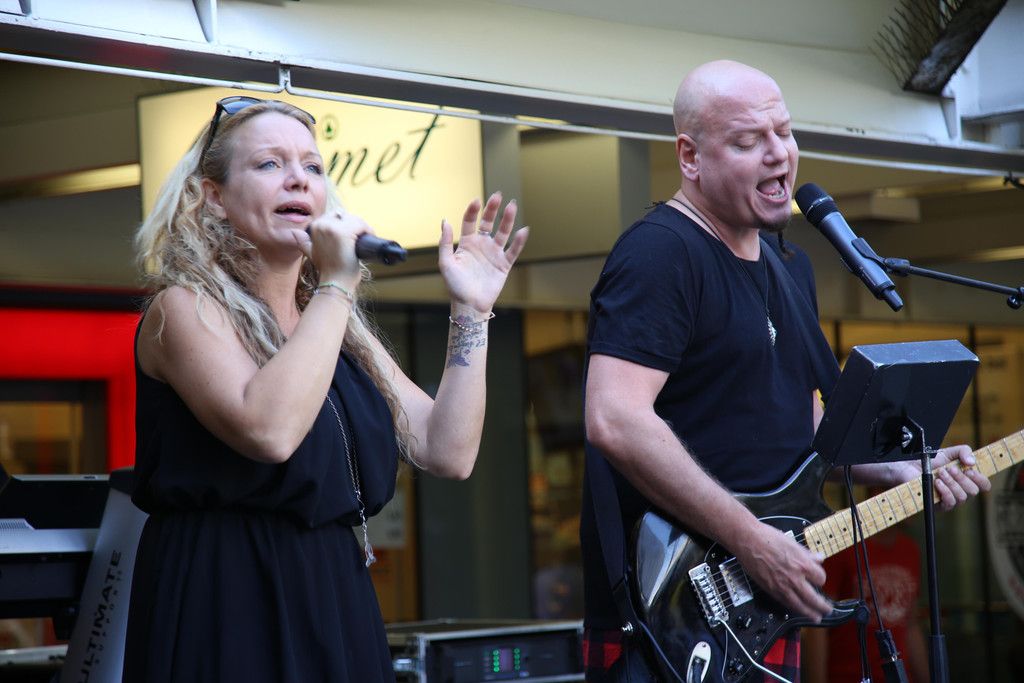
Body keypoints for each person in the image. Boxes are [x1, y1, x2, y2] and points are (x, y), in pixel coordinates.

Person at [580, 60, 990, 682]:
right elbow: (614, 418)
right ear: (690, 157)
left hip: (759, 612)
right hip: (669, 619)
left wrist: (902, 467)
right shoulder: (661, 253)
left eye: (785, 132)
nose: (779, 154)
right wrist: (750, 539)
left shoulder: (788, 264)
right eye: (748, 141)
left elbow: (800, 416)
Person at [122, 96, 528, 682]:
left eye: (312, 166)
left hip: (334, 587)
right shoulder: (184, 309)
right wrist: (338, 284)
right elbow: (270, 431)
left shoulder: (337, 324)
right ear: (212, 196)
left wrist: (471, 310)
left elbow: (447, 449)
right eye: (269, 164)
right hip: (227, 592)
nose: (298, 179)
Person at [802, 522, 928, 683]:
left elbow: (911, 625)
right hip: (848, 676)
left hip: (898, 676)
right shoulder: (844, 548)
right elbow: (818, 623)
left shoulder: (910, 550)